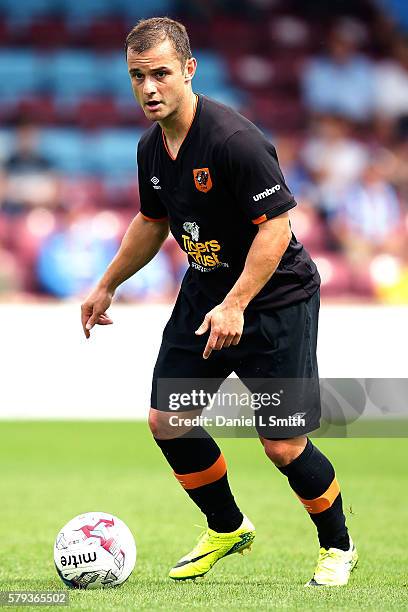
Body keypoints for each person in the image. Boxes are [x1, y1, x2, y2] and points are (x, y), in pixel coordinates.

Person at [81, 17, 357, 586]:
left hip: (275, 301)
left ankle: (338, 545)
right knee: (168, 420)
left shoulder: (235, 140)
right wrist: (108, 282)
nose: (149, 88)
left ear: (189, 70)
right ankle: (227, 526)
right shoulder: (150, 148)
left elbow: (276, 228)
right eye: (138, 76)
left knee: (281, 444)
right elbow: (152, 221)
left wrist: (235, 304)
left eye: (160, 74)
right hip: (205, 294)